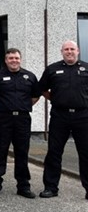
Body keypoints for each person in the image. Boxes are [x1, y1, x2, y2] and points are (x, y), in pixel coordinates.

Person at [0, 48, 40, 198]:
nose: (14, 61)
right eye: (10, 58)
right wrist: (1, 107)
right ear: (6, 60)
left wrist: (22, 107)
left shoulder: (29, 76)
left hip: (22, 119)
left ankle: (23, 186)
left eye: (16, 58)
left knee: (22, 152)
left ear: (20, 59)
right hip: (3, 119)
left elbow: (35, 96)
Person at [38, 40, 88, 199]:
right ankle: (51, 188)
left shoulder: (86, 68)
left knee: (86, 153)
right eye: (66, 49)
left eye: (72, 49)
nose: (69, 52)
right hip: (60, 116)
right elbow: (42, 89)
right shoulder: (52, 69)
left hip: (83, 116)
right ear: (62, 52)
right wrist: (56, 98)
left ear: (78, 51)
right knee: (54, 152)